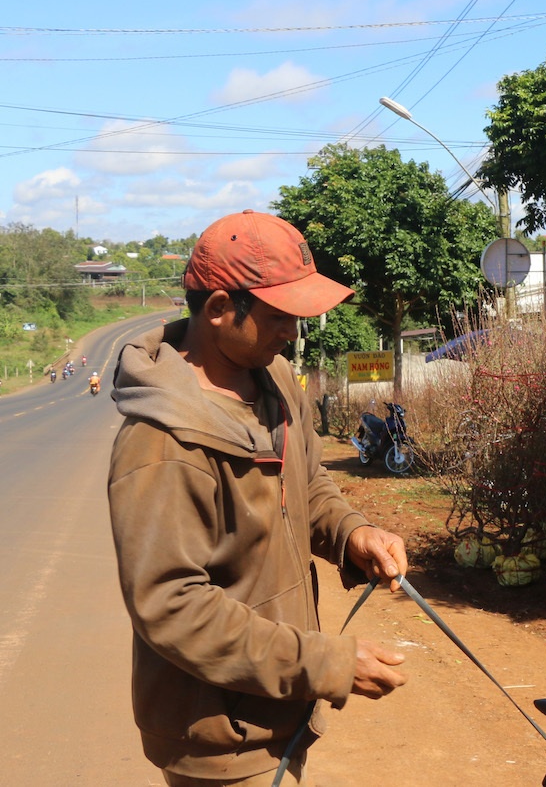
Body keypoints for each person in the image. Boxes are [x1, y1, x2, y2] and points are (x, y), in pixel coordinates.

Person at [107, 209, 410, 787]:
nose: (292, 334)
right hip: (218, 733)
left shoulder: (271, 381)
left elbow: (307, 483)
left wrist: (351, 532)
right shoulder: (163, 442)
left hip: (276, 707)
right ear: (220, 309)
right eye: (278, 317)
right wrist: (325, 662)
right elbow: (170, 605)